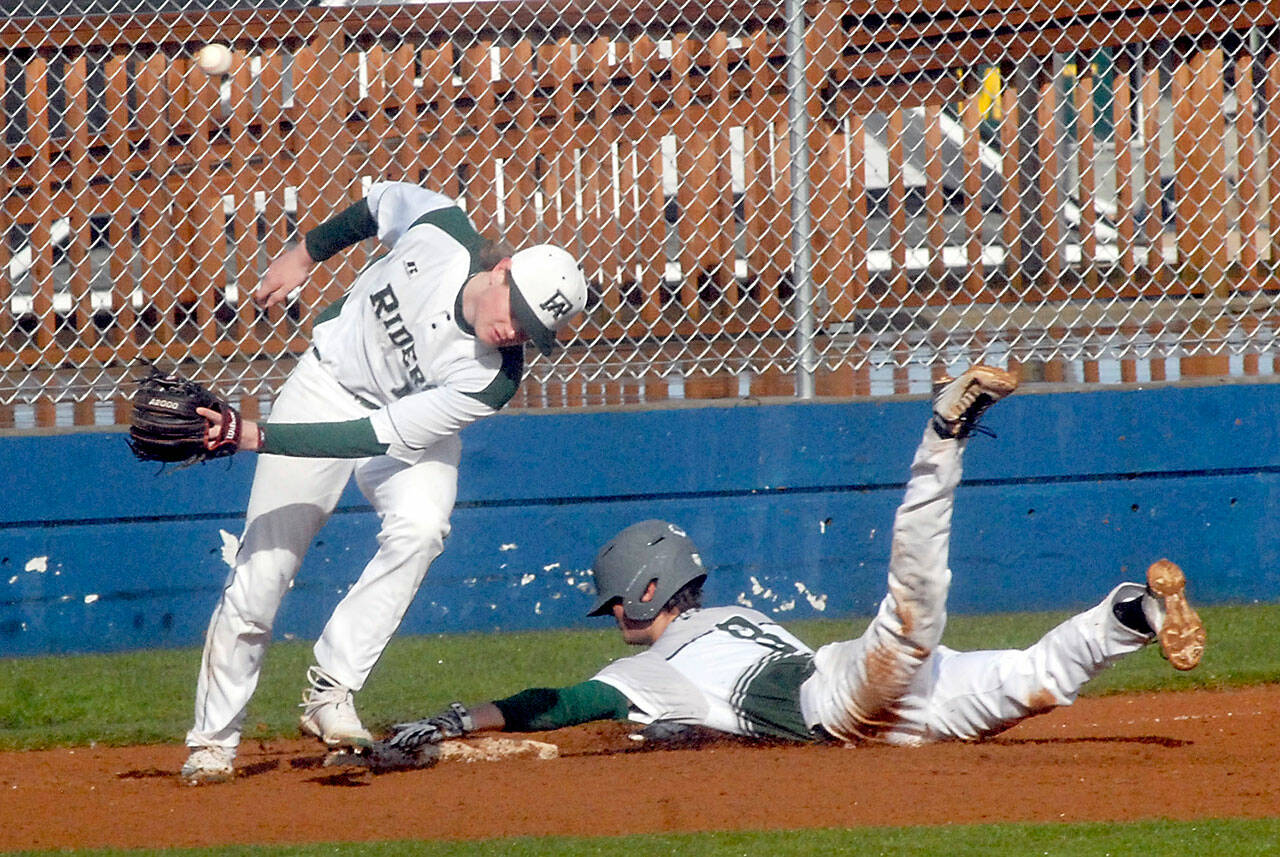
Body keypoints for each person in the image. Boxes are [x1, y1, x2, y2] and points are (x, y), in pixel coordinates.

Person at [374, 365, 1206, 762]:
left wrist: (457, 718)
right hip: (880, 714)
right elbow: (725, 720)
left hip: (844, 697)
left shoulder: (665, 656)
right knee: (1035, 680)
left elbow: (559, 702)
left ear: (647, 590)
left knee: (917, 602)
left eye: (616, 604)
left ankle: (943, 436)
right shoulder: (734, 620)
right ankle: (1128, 612)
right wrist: (692, 735)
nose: (615, 618)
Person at [180, 181, 589, 784]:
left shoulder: (490, 380)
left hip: (402, 426)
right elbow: (376, 207)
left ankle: (331, 688)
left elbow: (376, 437)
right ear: (501, 270)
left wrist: (257, 437)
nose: (516, 332)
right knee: (263, 572)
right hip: (326, 386)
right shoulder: (442, 228)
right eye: (518, 313)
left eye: (532, 331)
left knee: (422, 526)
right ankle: (212, 742)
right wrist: (305, 252)